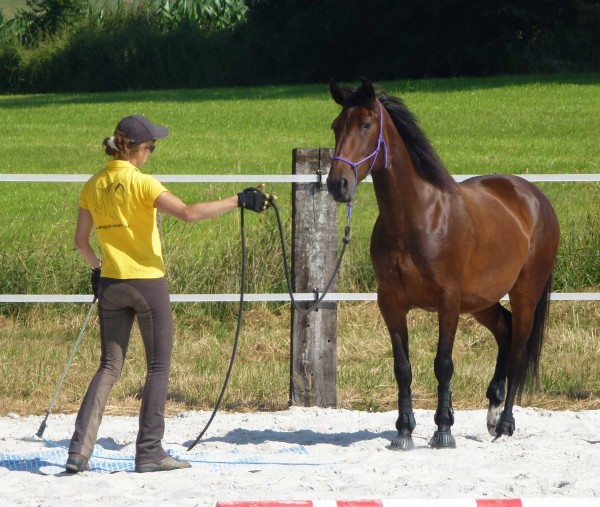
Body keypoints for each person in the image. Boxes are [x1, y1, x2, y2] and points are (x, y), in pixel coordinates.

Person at [66, 114, 273, 474]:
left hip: (111, 285)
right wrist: (238, 200)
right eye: (150, 147)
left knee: (109, 367)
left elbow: (80, 243)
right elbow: (189, 214)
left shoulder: (93, 184)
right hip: (147, 284)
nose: (151, 153)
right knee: (158, 367)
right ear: (135, 149)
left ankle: (79, 451)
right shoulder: (143, 184)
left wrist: (98, 269)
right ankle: (149, 451)